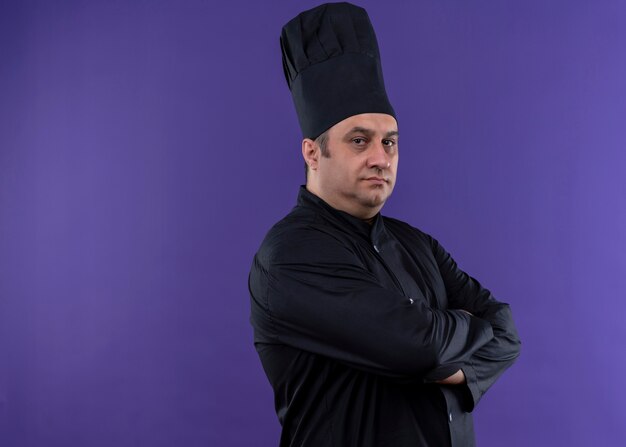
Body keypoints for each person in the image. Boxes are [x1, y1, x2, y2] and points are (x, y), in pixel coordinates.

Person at [249, 3, 521, 446]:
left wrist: (447, 344)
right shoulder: (290, 256)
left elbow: (507, 331)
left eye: (389, 141)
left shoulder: (418, 244)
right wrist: (466, 329)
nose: (381, 157)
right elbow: (419, 347)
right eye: (360, 141)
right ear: (312, 153)